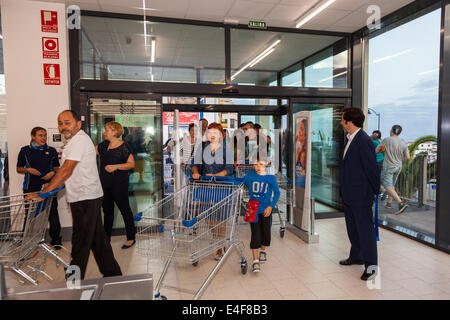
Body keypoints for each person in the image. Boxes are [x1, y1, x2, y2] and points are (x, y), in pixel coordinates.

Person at [34, 110, 122, 280]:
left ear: (78, 124)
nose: (63, 127)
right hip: (86, 196)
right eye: (60, 123)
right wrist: (51, 186)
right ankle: (113, 275)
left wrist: (44, 193)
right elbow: (66, 171)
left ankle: (73, 283)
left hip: (85, 198)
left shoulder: (79, 140)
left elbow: (67, 169)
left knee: (80, 243)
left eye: (67, 123)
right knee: (97, 241)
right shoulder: (74, 141)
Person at [339, 107, 380, 281]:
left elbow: (372, 169)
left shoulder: (364, 141)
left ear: (349, 122)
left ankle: (371, 267)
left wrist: (375, 190)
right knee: (353, 229)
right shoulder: (349, 139)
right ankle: (356, 256)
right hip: (349, 194)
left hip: (361, 195)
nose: (340, 122)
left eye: (342, 119)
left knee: (366, 232)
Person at [191, 122, 233, 260]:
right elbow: (195, 165)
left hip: (222, 187)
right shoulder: (202, 148)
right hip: (206, 187)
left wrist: (216, 176)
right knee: (208, 218)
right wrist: (196, 172)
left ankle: (220, 247)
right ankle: (219, 240)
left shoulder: (227, 149)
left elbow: (229, 169)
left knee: (221, 219)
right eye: (210, 132)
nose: (212, 135)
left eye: (215, 132)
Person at [16, 127, 62, 247]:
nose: (44, 138)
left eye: (45, 135)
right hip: (30, 187)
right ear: (33, 136)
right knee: (30, 214)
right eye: (41, 135)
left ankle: (56, 240)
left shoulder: (51, 150)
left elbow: (57, 167)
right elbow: (19, 168)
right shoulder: (25, 150)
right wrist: (28, 169)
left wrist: (52, 173)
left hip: (49, 186)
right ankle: (25, 239)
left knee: (52, 213)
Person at [96, 121, 136, 249]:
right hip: (105, 184)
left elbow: (131, 164)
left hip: (119, 184)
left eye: (107, 130)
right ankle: (106, 238)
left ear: (114, 131)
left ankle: (131, 237)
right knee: (107, 212)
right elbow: (90, 151)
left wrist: (116, 166)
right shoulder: (103, 145)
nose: (104, 132)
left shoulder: (124, 146)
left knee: (125, 210)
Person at [242, 159, 280, 273]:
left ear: (267, 164)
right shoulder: (249, 176)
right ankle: (255, 261)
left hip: (266, 211)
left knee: (266, 233)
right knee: (255, 234)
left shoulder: (271, 178)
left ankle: (263, 250)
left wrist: (271, 206)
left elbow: (277, 193)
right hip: (253, 210)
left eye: (261, 164)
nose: (258, 167)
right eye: (255, 164)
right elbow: (237, 182)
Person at [376, 125, 410, 214]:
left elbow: (376, 150)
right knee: (391, 185)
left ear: (391, 130)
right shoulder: (403, 142)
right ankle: (389, 203)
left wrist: (382, 151)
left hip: (388, 166)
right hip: (398, 167)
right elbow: (408, 157)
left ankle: (400, 203)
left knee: (386, 184)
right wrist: (401, 162)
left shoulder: (387, 140)